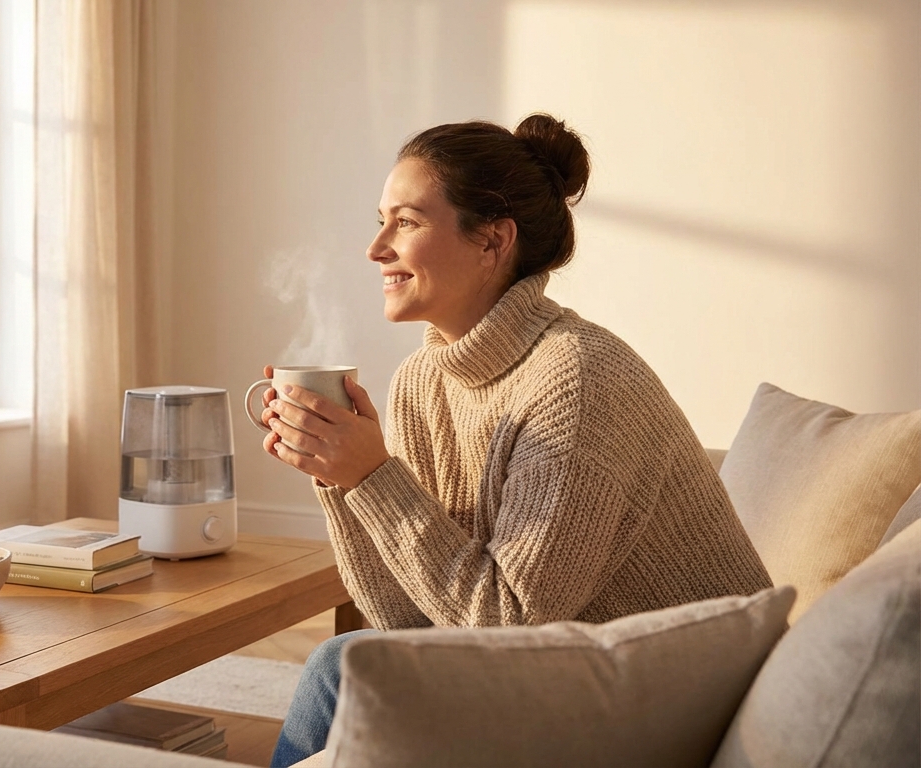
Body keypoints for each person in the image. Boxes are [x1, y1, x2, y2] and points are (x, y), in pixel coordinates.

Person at [260, 114, 772, 767]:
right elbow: (412, 625)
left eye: (406, 222)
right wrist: (340, 477)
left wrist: (372, 478)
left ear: (493, 241)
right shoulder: (421, 381)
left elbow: (507, 629)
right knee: (359, 665)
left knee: (340, 666)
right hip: (572, 680)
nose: (376, 247)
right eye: (380, 220)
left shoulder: (578, 380)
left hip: (684, 707)